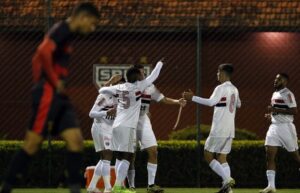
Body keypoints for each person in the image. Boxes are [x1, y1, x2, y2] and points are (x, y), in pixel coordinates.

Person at [0, 3, 99, 193]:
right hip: (47, 93)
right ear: (83, 17)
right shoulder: (61, 30)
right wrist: (52, 81)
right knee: (32, 144)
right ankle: (6, 187)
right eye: (92, 24)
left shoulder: (68, 35)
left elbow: (40, 58)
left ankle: (75, 189)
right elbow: (42, 52)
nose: (92, 29)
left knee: (76, 140)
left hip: (59, 96)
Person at [99, 60, 164, 193]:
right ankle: (118, 187)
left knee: (121, 156)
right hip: (128, 126)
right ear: (138, 78)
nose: (142, 76)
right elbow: (154, 76)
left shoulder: (120, 87)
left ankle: (119, 186)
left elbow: (102, 89)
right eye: (140, 75)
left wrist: (108, 83)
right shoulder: (138, 87)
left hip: (116, 125)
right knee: (128, 157)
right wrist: (159, 63)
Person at [124, 64, 186, 193]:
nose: (143, 75)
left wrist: (177, 102)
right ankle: (131, 186)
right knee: (130, 155)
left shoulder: (149, 87)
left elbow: (162, 99)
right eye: (140, 73)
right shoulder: (128, 87)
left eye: (143, 73)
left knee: (153, 150)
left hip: (143, 120)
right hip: (129, 120)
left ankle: (151, 185)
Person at [183, 63, 241, 193]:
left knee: (208, 154)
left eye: (218, 72)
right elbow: (239, 104)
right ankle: (228, 190)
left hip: (219, 128)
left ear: (223, 73)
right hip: (230, 129)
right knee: (222, 158)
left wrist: (192, 98)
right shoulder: (235, 89)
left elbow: (210, 102)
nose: (217, 74)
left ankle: (227, 179)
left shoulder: (220, 88)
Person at [260, 73, 299, 193]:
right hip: (274, 127)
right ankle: (271, 186)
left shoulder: (288, 94)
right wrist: (271, 115)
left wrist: (275, 110)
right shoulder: (274, 93)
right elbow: (276, 110)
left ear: (285, 82)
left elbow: (294, 111)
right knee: (269, 155)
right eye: (275, 78)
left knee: (296, 156)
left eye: (279, 79)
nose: (276, 81)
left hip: (286, 128)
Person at [87, 75, 125, 193]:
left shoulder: (121, 98)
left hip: (109, 128)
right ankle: (108, 188)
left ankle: (92, 187)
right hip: (100, 127)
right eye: (119, 85)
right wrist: (106, 112)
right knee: (107, 156)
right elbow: (91, 113)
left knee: (104, 159)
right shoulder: (104, 96)